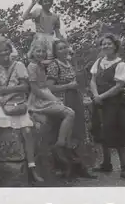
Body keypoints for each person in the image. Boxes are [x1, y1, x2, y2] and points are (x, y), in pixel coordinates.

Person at [0, 40, 43, 185]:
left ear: (10, 51)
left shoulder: (19, 65)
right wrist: (15, 89)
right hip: (0, 102)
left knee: (28, 131)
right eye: (1, 52)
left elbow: (25, 87)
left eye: (6, 51)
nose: (4, 55)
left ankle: (32, 168)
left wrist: (9, 94)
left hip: (18, 102)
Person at [89, 34, 125, 179]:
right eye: (103, 44)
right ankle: (106, 164)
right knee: (102, 132)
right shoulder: (98, 62)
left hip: (115, 104)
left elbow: (118, 86)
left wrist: (101, 97)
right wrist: (96, 95)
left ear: (115, 46)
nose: (106, 46)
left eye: (109, 44)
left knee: (119, 134)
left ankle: (124, 168)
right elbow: (92, 80)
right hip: (99, 103)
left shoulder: (120, 64)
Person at [46, 40, 96, 179]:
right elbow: (50, 87)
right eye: (60, 49)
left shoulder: (69, 63)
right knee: (68, 134)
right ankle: (68, 169)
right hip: (64, 99)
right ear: (55, 52)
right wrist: (68, 86)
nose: (63, 50)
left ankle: (81, 167)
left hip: (76, 98)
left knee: (79, 132)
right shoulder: (54, 65)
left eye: (65, 47)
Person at [26, 40, 75, 167]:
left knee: (68, 113)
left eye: (43, 51)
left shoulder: (41, 64)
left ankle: (62, 145)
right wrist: (52, 99)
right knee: (69, 113)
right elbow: (35, 89)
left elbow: (59, 57)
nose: (41, 54)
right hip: (38, 100)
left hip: (45, 95)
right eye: (38, 51)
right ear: (32, 52)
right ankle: (60, 144)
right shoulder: (32, 66)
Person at [22, 0, 65, 64]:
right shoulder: (38, 12)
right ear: (41, 2)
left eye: (49, 1)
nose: (47, 3)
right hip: (40, 39)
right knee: (35, 59)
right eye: (45, 1)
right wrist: (32, 4)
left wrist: (65, 44)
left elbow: (57, 33)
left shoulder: (55, 16)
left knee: (52, 60)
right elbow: (24, 17)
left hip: (51, 40)